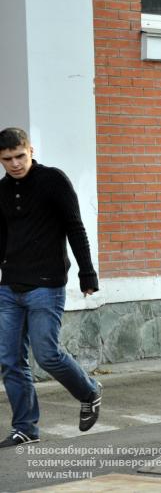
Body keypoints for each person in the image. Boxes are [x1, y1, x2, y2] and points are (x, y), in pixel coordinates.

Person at [0, 127, 102, 448]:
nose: (15, 164)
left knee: (46, 354)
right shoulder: (1, 191)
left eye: (20, 156)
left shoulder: (53, 180)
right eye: (7, 159)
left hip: (46, 284)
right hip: (9, 286)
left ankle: (89, 391)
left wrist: (87, 273)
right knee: (10, 360)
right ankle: (26, 427)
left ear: (30, 150)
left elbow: (75, 226)